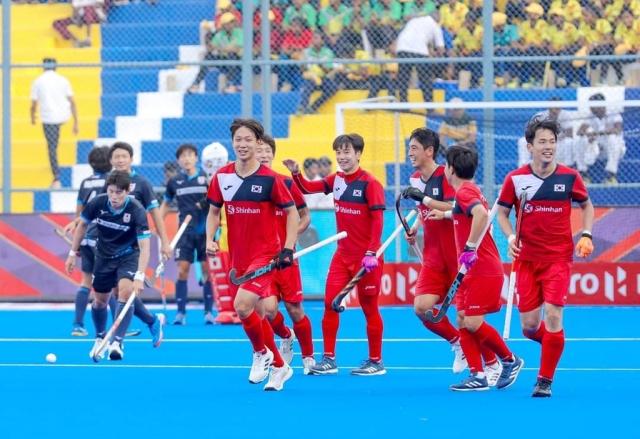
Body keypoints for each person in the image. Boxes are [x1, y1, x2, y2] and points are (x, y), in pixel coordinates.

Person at [497, 116, 595, 397]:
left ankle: (544, 379)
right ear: (530, 146)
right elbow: (503, 213)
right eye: (542, 142)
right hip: (526, 260)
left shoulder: (569, 176)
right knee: (529, 328)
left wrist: (586, 234)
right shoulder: (515, 179)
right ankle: (554, 344)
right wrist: (511, 237)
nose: (548, 146)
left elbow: (587, 206)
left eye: (552, 141)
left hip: (558, 259)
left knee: (553, 318)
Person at [401, 128, 503, 385]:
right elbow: (425, 212)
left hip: (457, 257)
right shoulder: (414, 179)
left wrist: (424, 200)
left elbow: (454, 207)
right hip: (434, 258)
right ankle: (456, 342)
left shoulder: (448, 174)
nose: (409, 152)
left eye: (414, 148)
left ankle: (491, 365)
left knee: (468, 319)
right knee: (422, 308)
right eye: (409, 148)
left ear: (429, 151)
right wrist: (415, 227)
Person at [205, 118, 298, 391]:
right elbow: (213, 212)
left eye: (248, 140)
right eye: (238, 140)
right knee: (258, 314)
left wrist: (288, 248)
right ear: (232, 143)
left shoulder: (271, 179)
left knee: (242, 305)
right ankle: (280, 368)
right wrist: (210, 238)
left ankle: (262, 354)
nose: (243, 144)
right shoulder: (222, 177)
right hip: (239, 257)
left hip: (266, 256)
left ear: (258, 144)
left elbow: (292, 213)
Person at [283, 133, 387, 376]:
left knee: (369, 307)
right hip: (342, 256)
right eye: (338, 152)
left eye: (347, 152)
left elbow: (378, 221)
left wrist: (372, 252)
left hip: (367, 258)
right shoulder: (336, 179)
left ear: (358, 154)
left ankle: (376, 361)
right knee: (330, 303)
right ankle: (328, 359)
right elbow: (308, 188)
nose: (342, 157)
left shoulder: (371, 184)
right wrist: (296, 173)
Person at [427, 145, 524, 392]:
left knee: (472, 322)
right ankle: (477, 374)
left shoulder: (464, 192)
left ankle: (510, 360)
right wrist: (447, 216)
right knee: (461, 318)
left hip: (481, 266)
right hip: (471, 268)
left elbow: (480, 214)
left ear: (450, 169)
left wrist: (469, 247)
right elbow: (467, 214)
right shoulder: (469, 190)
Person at [64, 142, 169, 345]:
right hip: (105, 248)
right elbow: (96, 211)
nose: (120, 160)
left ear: (131, 159)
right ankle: (150, 320)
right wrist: (77, 231)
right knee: (112, 294)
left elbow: (155, 215)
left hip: (131, 250)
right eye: (116, 157)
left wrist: (164, 242)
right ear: (111, 160)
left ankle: (118, 338)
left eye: (124, 156)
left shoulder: (143, 184)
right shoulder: (109, 183)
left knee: (124, 291)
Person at [64, 170, 151, 361]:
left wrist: (139, 275)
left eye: (119, 192)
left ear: (127, 191)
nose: (114, 196)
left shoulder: (136, 210)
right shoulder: (98, 203)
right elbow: (82, 225)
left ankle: (117, 343)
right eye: (111, 191)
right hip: (103, 257)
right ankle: (100, 337)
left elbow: (145, 247)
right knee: (100, 301)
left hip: (128, 255)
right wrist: (72, 253)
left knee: (125, 292)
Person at [256, 134, 316, 374]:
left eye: (267, 151)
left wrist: (289, 244)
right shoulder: (246, 187)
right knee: (269, 311)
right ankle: (286, 335)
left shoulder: (287, 184)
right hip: (263, 261)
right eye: (258, 150)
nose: (263, 154)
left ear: (273, 154)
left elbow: (305, 216)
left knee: (295, 309)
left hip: (287, 259)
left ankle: (309, 357)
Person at [160, 144, 214, 325]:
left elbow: (219, 199)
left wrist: (205, 202)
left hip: (206, 232)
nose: (186, 159)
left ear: (196, 158)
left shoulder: (206, 178)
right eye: (182, 156)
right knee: (182, 270)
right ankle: (180, 313)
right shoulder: (174, 182)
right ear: (178, 160)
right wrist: (159, 224)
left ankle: (208, 312)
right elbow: (165, 204)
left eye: (190, 155)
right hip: (185, 233)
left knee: (207, 271)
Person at [70, 146, 120, 336]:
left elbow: (79, 215)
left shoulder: (85, 182)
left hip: (86, 237)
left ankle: (78, 325)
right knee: (113, 281)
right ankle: (118, 324)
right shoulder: (112, 182)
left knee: (86, 280)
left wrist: (78, 239)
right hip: (103, 238)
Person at [30, 58, 79, 189]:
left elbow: (34, 103)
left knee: (51, 146)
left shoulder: (38, 81)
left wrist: (32, 117)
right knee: (54, 142)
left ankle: (56, 177)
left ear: (43, 67)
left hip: (49, 118)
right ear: (55, 67)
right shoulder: (63, 80)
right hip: (63, 115)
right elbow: (72, 101)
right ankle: (56, 174)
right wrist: (76, 122)